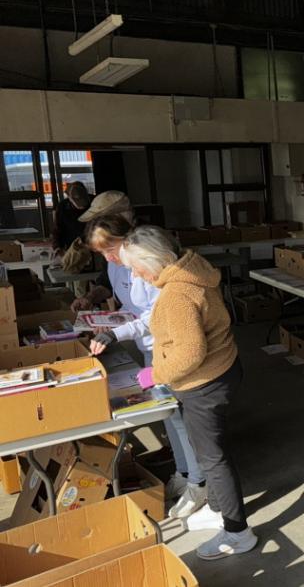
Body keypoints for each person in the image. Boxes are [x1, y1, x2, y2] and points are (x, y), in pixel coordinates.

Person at [120, 226, 256, 560]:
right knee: (209, 450)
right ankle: (216, 507)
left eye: (135, 267)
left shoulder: (177, 295)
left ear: (153, 261)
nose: (133, 274)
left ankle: (238, 532)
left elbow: (190, 353)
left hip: (204, 383)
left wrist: (157, 373)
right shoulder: (194, 271)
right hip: (223, 369)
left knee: (213, 456)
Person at [79, 212, 207, 520]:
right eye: (103, 253)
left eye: (111, 249)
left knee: (180, 416)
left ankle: (199, 482)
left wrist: (117, 331)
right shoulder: (115, 265)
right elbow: (131, 308)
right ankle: (184, 471)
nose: (109, 257)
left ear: (129, 239)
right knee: (168, 416)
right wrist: (107, 320)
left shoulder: (147, 262)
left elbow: (158, 314)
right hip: (149, 347)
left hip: (170, 348)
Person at [52, 182, 91, 253]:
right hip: (72, 247)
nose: (81, 204)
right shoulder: (62, 207)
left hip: (94, 245)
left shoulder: (95, 202)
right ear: (69, 198)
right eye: (77, 201)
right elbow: (57, 229)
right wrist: (57, 247)